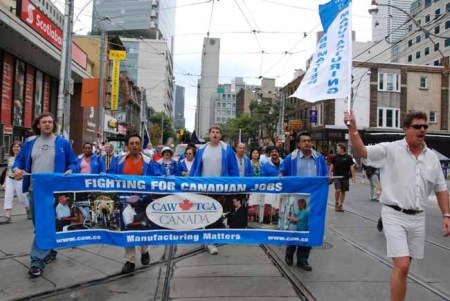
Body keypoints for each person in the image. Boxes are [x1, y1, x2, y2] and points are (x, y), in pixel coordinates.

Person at [345, 110, 450, 301]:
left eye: (425, 126)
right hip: (394, 214)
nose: (422, 130)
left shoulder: (432, 157)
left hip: (418, 217)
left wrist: (446, 215)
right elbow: (363, 152)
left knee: (404, 267)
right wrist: (353, 129)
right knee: (402, 265)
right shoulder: (391, 149)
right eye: (417, 126)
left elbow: (441, 188)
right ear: (405, 129)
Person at [12, 112, 77, 278]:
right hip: (35, 190)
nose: (47, 124)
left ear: (53, 124)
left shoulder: (62, 143)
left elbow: (73, 162)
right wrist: (16, 169)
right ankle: (50, 247)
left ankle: (36, 261)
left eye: (50, 121)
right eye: (44, 122)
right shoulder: (29, 143)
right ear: (38, 125)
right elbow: (19, 161)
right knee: (39, 224)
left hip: (55, 191)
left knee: (43, 225)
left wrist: (71, 170)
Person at [110, 134, 161, 273]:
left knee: (142, 228)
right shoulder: (119, 161)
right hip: (125, 202)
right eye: (131, 143)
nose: (134, 146)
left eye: (137, 143)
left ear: (141, 145)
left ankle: (145, 251)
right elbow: (111, 177)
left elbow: (157, 178)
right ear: (127, 146)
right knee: (128, 230)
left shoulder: (149, 162)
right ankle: (130, 260)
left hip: (143, 202)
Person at [279, 131, 327, 271]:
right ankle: (289, 253)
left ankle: (303, 259)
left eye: (309, 140)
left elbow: (324, 174)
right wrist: (281, 176)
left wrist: (327, 179)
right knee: (295, 226)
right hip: (296, 197)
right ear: (299, 144)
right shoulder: (291, 158)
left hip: (314, 198)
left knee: (309, 227)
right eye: (304, 141)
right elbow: (282, 171)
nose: (307, 143)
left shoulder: (319, 158)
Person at [190, 125, 239, 254]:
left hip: (221, 188)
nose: (215, 134)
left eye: (217, 132)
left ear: (220, 135)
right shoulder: (202, 149)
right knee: (207, 214)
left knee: (218, 214)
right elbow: (195, 168)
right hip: (205, 188)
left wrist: (236, 185)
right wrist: (189, 183)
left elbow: (233, 169)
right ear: (209, 135)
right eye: (213, 132)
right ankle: (209, 239)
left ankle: (211, 239)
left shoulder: (227, 149)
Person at [1, 141, 30, 224]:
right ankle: (7, 217)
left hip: (19, 180)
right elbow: (7, 170)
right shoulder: (10, 158)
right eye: (14, 147)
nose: (16, 148)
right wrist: (4, 182)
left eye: (18, 147)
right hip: (10, 179)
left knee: (22, 197)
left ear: (21, 148)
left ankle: (28, 210)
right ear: (12, 148)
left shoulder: (24, 158)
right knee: (7, 197)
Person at [285, 199, 311, 271]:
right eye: (298, 204)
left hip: (303, 231)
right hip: (297, 230)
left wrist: (289, 218)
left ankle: (301, 262)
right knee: (292, 244)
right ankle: (289, 258)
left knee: (303, 247)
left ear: (303, 204)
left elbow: (297, 220)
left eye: (300, 204)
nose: (298, 205)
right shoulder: (300, 212)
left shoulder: (304, 212)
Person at [329, 143, 356, 212]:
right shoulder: (335, 157)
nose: (337, 149)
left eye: (338, 148)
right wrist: (329, 174)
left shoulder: (348, 157)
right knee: (338, 190)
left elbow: (352, 167)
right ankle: (336, 203)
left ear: (342, 149)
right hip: (336, 176)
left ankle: (341, 205)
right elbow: (332, 165)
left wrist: (353, 176)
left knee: (343, 191)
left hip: (345, 176)